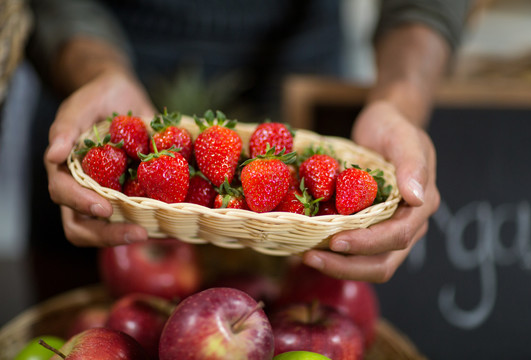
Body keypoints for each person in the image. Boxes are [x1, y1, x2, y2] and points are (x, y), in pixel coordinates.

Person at [31, 0, 470, 282]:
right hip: (106, 52)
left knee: (295, 300)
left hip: (303, 49)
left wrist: (400, 101)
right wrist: (95, 71)